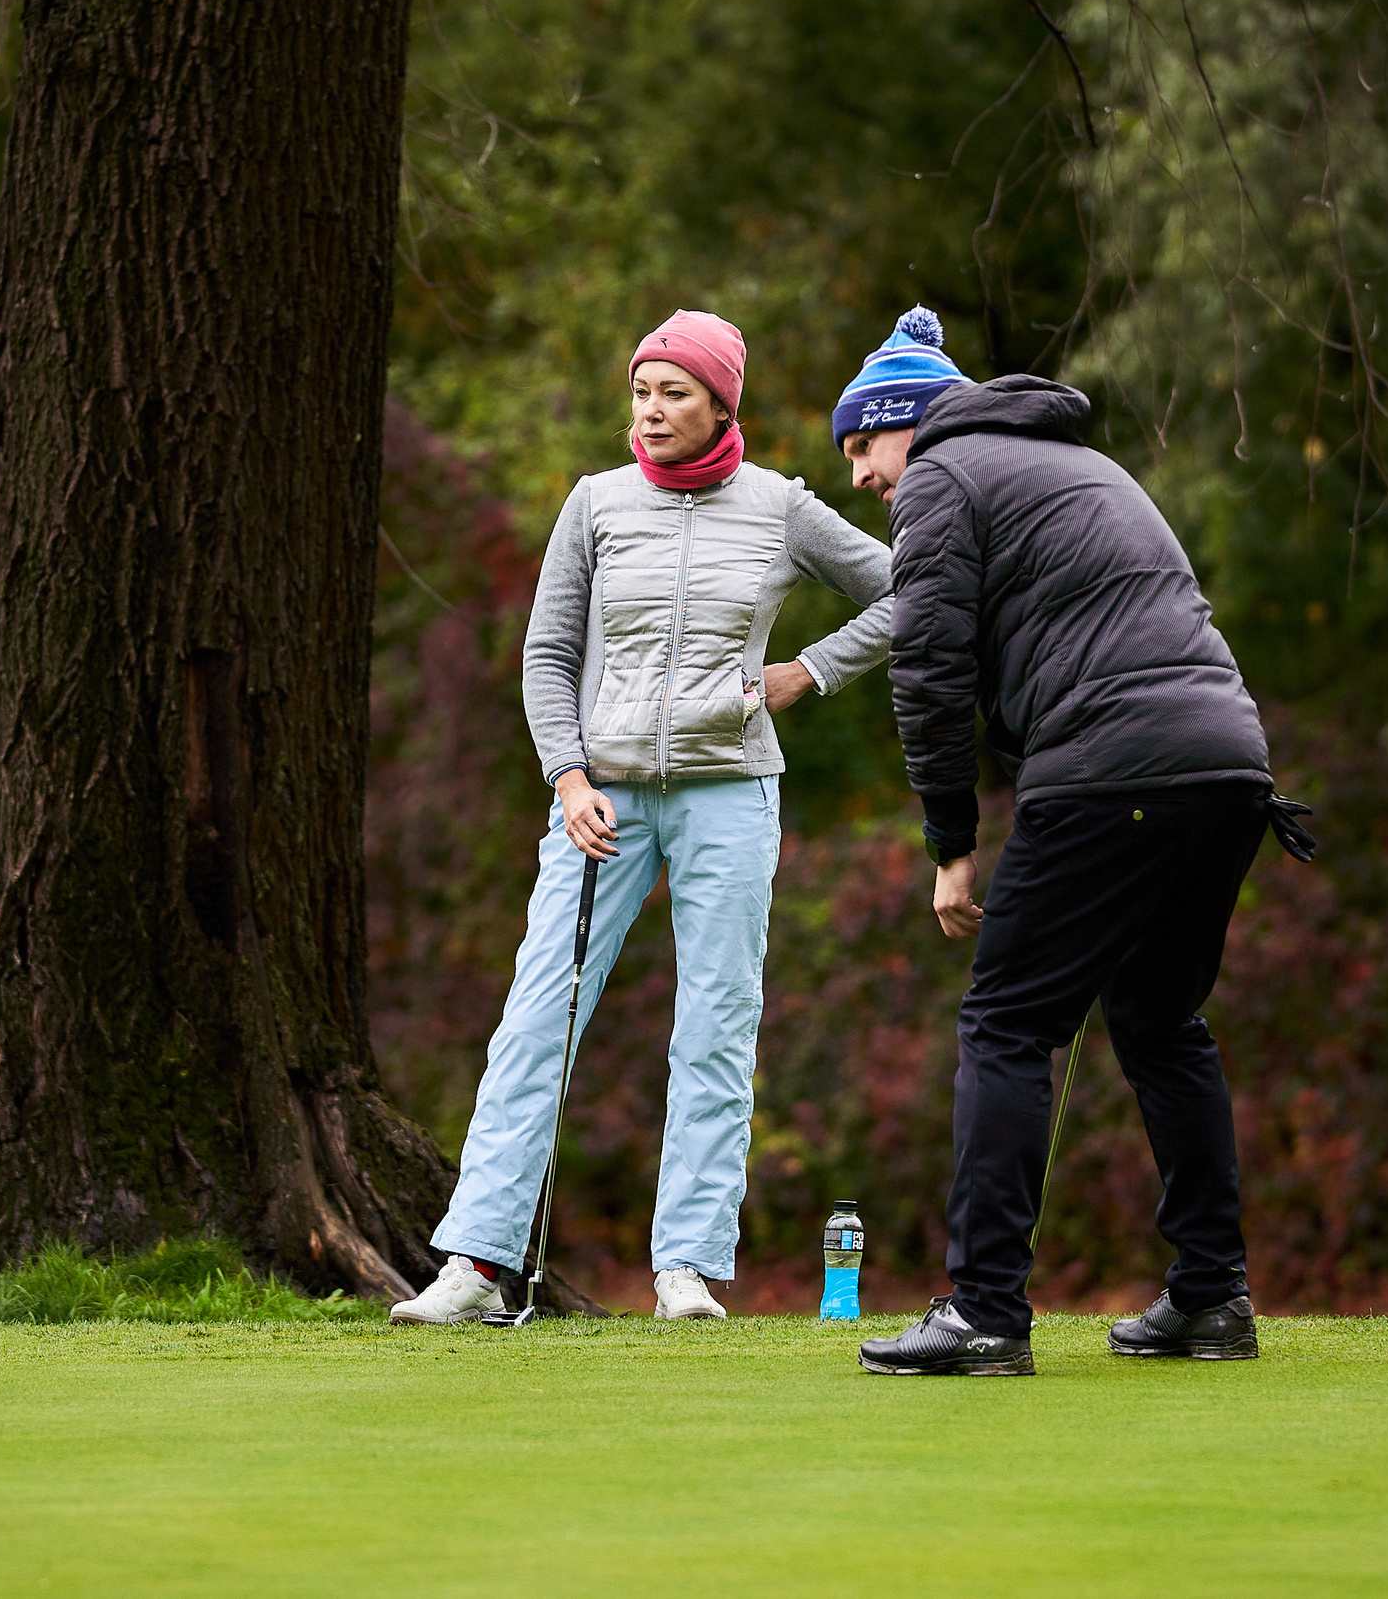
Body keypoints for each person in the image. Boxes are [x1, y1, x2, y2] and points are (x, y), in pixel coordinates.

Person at [829, 306, 1314, 1376]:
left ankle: (987, 1311)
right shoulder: (1072, 465)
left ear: (904, 423)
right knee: (1157, 1018)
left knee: (1006, 1021)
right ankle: (1211, 1299)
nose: (862, 478)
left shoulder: (946, 478)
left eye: (862, 448)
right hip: (1228, 766)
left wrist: (950, 845)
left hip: (1116, 772)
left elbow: (929, 674)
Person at [390, 309, 898, 1324]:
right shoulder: (594, 505)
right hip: (602, 800)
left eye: (674, 392)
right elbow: (546, 658)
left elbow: (912, 588)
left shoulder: (781, 509)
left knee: (715, 1026)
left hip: (730, 791)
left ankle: (685, 1270)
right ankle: (477, 1265)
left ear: (720, 403)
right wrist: (568, 781)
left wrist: (812, 670)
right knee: (537, 1020)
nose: (652, 410)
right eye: (641, 391)